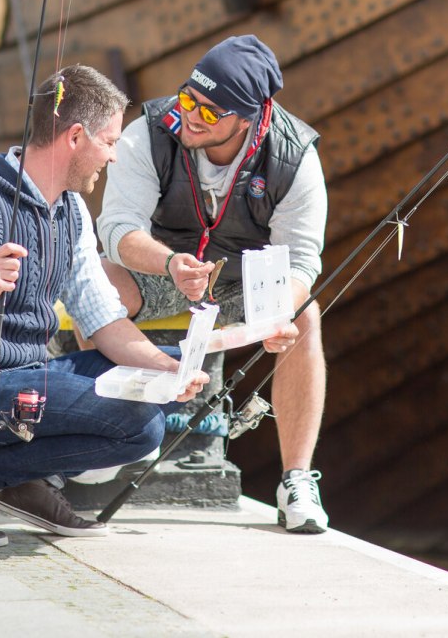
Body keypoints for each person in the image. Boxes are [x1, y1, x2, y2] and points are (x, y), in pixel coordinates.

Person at [0, 64, 208, 548]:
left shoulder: (72, 210)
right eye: (109, 141)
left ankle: (0, 479)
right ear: (75, 137)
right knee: (139, 424)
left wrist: (169, 369)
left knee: (154, 389)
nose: (114, 157)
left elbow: (104, 319)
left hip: (20, 385)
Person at [96, 34, 330, 533]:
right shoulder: (150, 133)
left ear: (248, 116)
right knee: (101, 284)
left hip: (243, 283)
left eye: (210, 111)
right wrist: (172, 263)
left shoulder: (295, 158)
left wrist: (279, 314)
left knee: (306, 313)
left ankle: (295, 482)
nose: (192, 116)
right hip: (164, 272)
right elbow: (117, 230)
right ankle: (84, 449)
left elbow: (303, 263)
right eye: (188, 99)